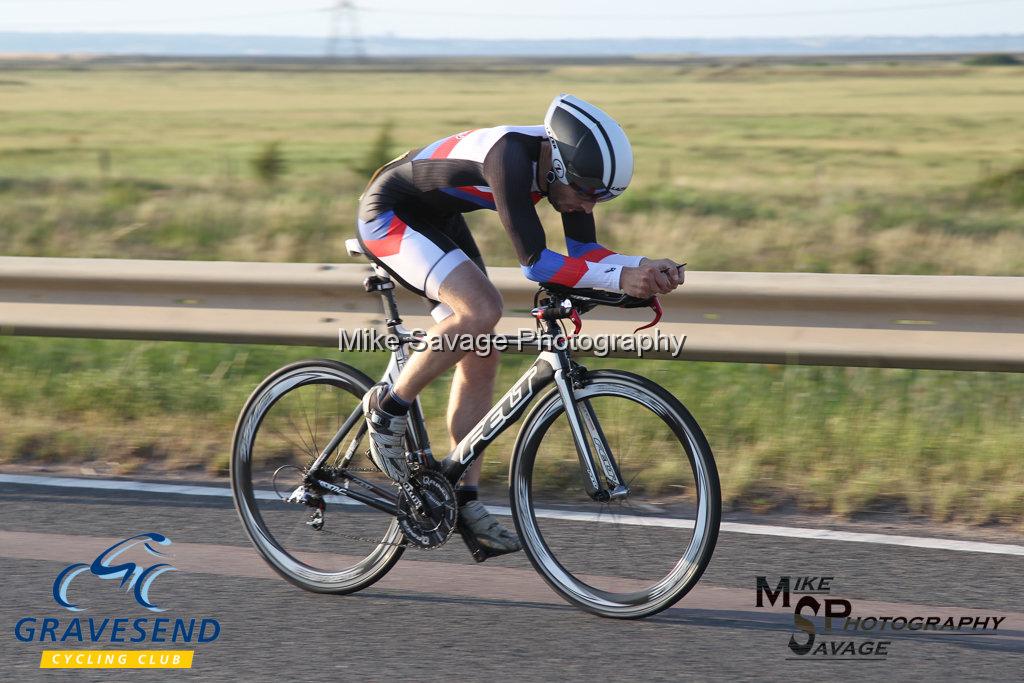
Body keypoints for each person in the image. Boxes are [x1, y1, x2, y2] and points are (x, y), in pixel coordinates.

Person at [355, 94, 683, 555]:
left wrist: (642, 267)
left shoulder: (568, 172)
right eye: (587, 193)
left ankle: (462, 496)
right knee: (482, 309)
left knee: (482, 349)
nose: (589, 207)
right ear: (557, 170)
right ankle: (387, 409)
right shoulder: (508, 155)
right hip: (390, 214)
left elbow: (587, 257)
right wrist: (620, 276)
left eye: (600, 198)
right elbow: (535, 263)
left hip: (438, 216)